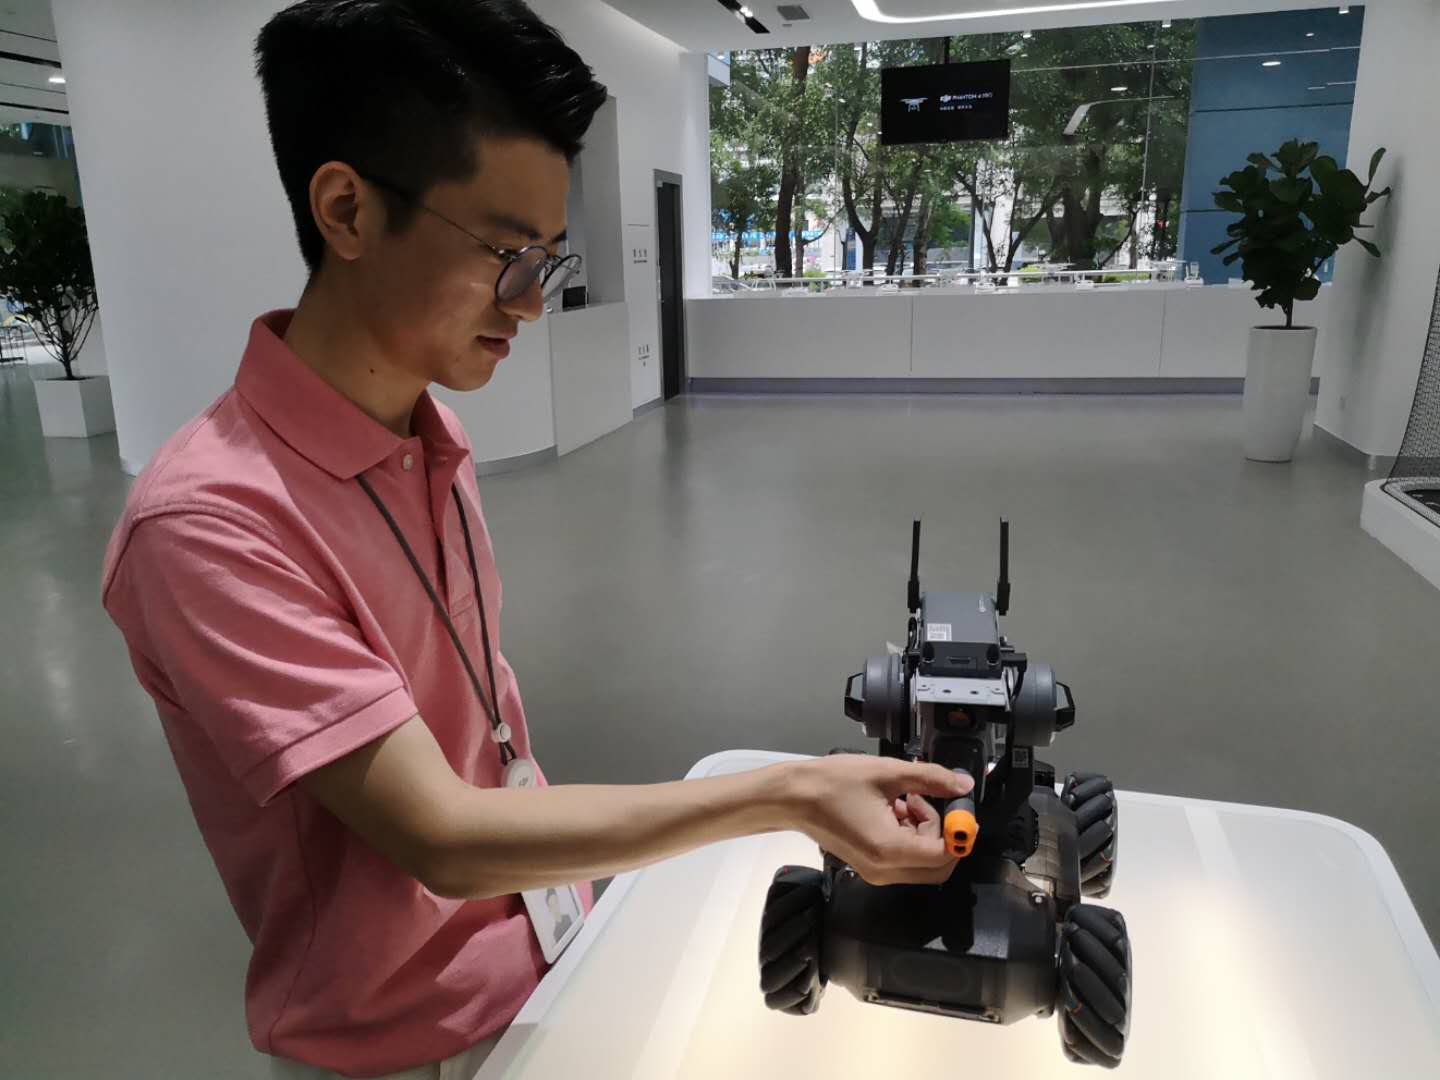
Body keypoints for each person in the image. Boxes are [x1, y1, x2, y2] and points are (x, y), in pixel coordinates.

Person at [100, 2, 973, 1078]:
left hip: (549, 953)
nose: (530, 302)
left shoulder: (432, 437)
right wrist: (788, 794)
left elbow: (483, 742)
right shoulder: (209, 526)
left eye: (547, 261)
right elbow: (440, 836)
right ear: (347, 210)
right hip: (401, 1046)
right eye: (507, 253)